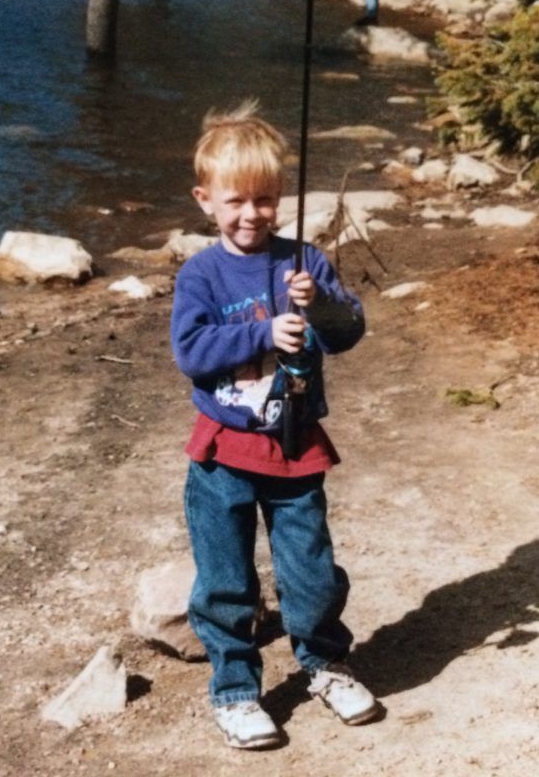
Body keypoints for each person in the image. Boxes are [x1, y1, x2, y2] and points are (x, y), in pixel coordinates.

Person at [170, 101, 380, 750]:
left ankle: (323, 662)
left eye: (264, 199)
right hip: (222, 452)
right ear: (206, 200)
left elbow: (348, 333)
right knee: (226, 579)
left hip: (295, 447)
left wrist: (315, 305)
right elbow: (190, 352)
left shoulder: (305, 263)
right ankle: (234, 688)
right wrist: (261, 330)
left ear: (279, 198)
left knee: (311, 571)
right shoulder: (200, 273)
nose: (251, 213)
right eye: (235, 200)